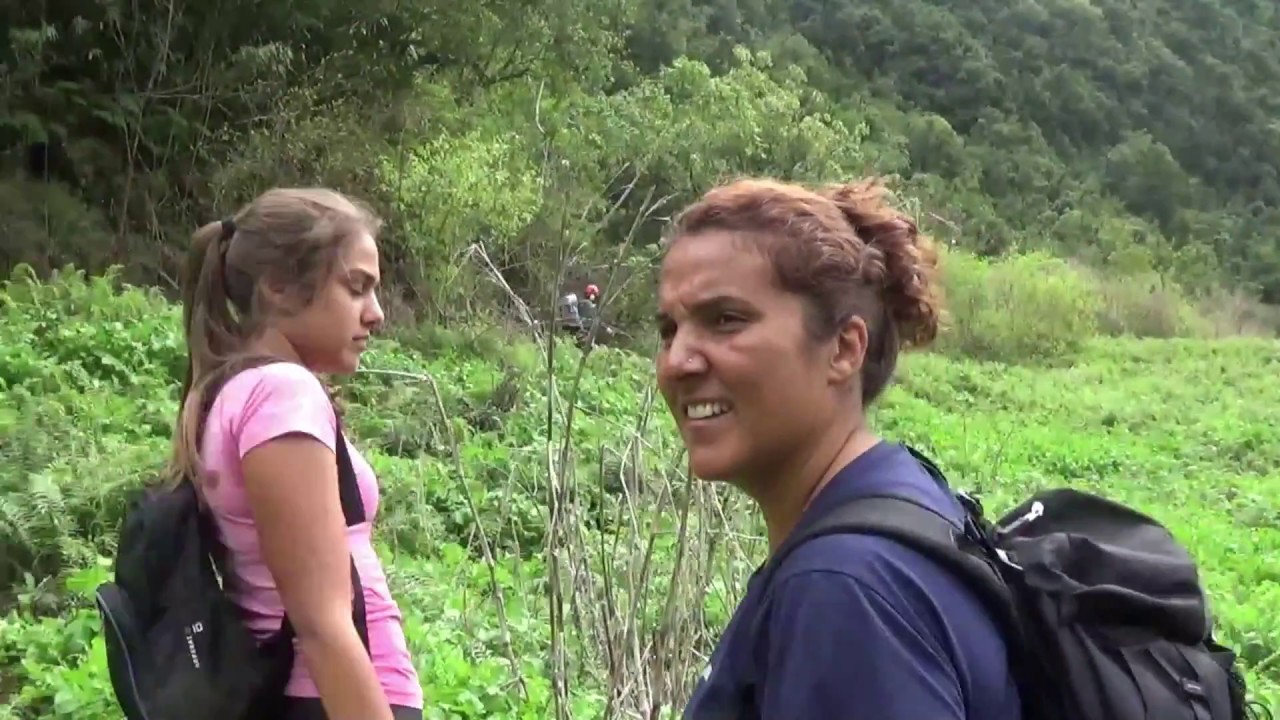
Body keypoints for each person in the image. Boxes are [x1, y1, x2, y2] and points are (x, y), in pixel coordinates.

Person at [654, 177, 1021, 719]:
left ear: (844, 349)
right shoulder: (900, 493)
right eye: (668, 329)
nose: (677, 361)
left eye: (725, 320)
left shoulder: (844, 589)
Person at [170, 188, 423, 720]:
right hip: (331, 698)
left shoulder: (232, 389)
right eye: (356, 288)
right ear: (279, 288)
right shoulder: (282, 395)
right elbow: (322, 622)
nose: (376, 314)